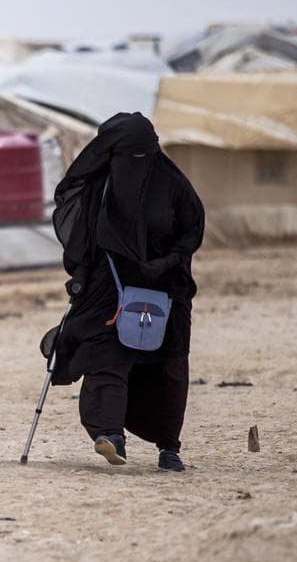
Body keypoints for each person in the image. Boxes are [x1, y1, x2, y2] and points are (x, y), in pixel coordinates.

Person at [48, 112, 204, 471]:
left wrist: (164, 262)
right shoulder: (99, 189)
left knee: (168, 365)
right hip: (109, 286)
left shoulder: (173, 184)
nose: (138, 164)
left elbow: (190, 233)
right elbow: (84, 241)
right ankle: (110, 434)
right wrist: (80, 276)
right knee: (107, 355)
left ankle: (169, 446)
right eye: (129, 156)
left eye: (144, 155)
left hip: (165, 287)